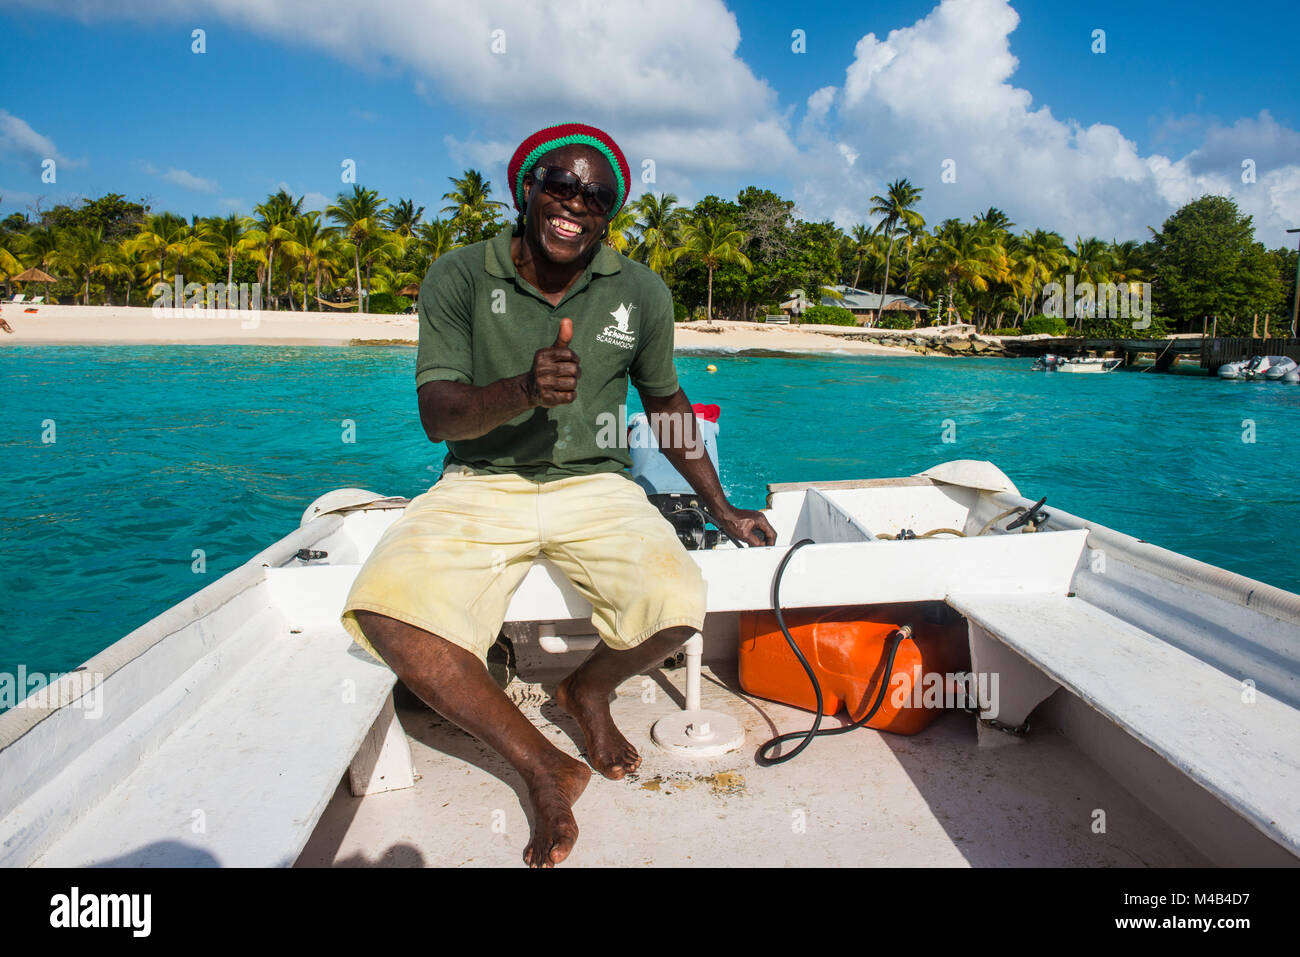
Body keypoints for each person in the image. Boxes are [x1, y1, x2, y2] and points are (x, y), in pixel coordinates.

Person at [341, 123, 776, 867]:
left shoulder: (640, 289)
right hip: (479, 481)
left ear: (609, 213)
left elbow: (668, 406)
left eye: (597, 196)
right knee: (386, 611)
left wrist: (721, 505)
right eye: (561, 185)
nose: (577, 202)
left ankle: (587, 690)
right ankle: (543, 765)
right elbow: (437, 414)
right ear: (528, 190)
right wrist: (520, 390)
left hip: (596, 484)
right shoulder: (458, 275)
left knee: (679, 604)